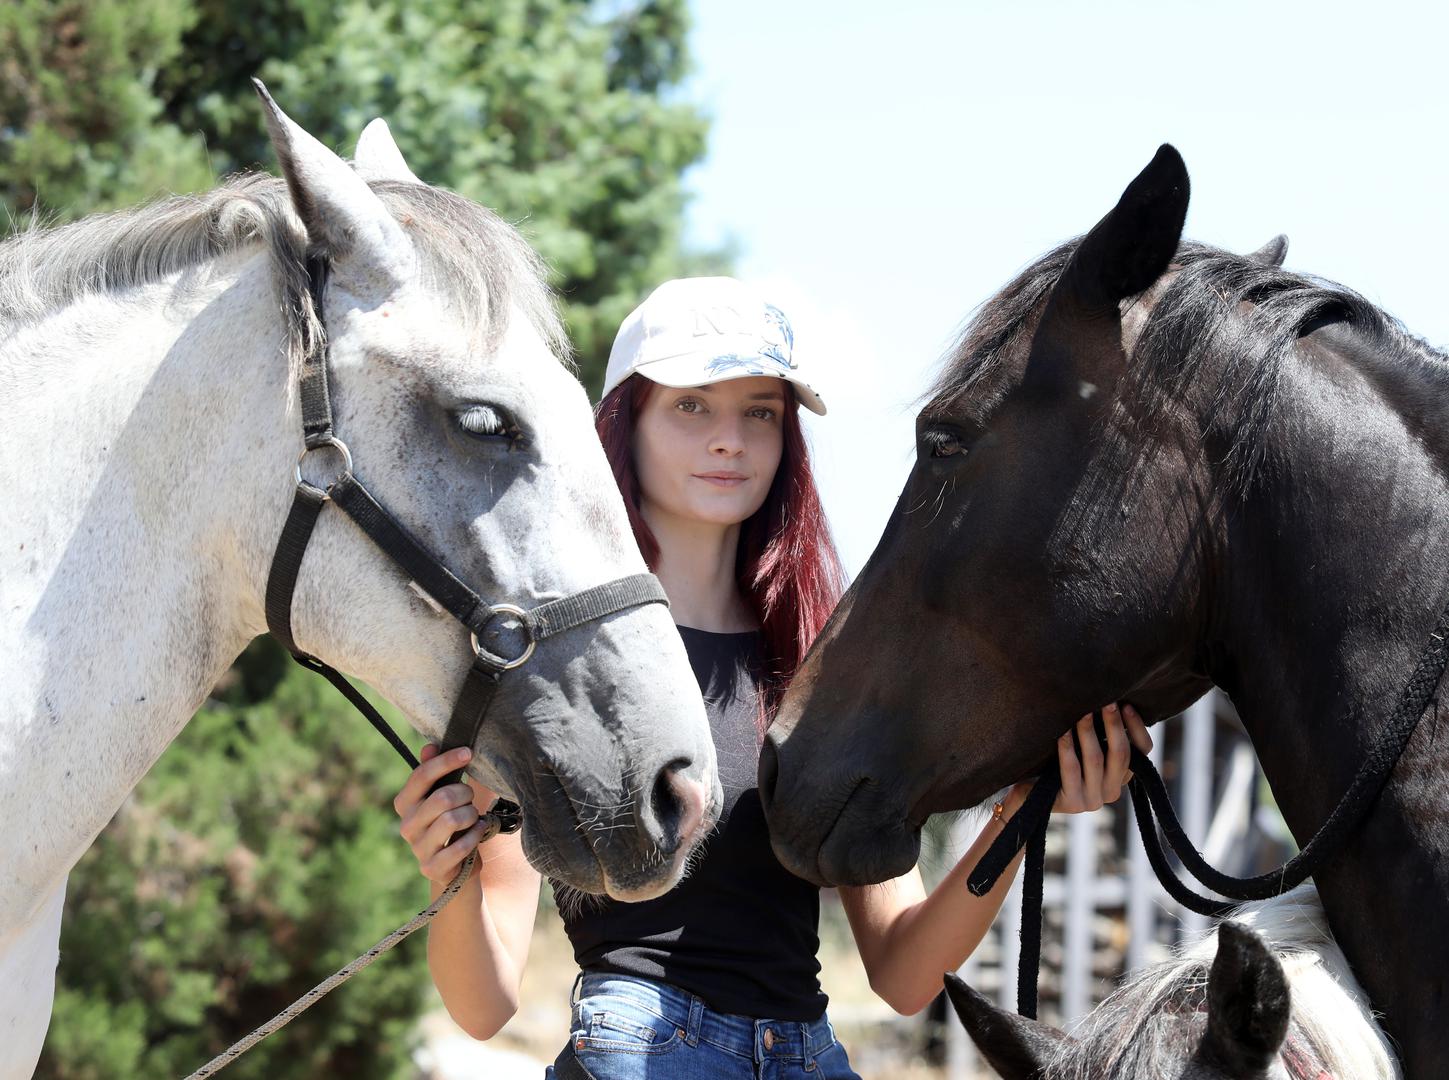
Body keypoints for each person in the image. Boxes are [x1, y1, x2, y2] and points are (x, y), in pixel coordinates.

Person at [391, 277, 1153, 1079]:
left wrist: (1021, 813)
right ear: (625, 425)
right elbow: (484, 1008)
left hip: (810, 1054)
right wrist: (452, 872)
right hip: (640, 1045)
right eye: (692, 406)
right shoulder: (545, 664)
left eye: (760, 411)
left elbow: (900, 971)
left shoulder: (827, 662)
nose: (732, 440)